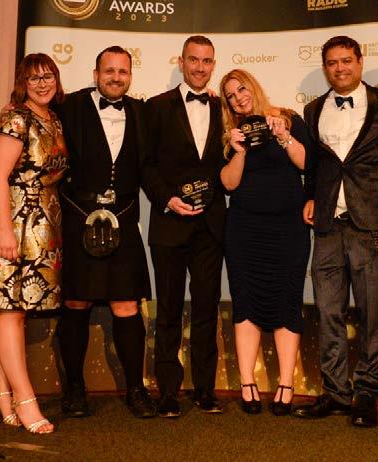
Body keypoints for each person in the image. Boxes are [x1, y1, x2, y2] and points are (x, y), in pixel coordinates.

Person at [292, 36, 378, 427]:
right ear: (325, 68)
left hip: (369, 224)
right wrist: (309, 196)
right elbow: (315, 165)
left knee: (371, 314)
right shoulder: (314, 108)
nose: (340, 68)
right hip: (327, 228)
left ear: (359, 61)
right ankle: (336, 392)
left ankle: (367, 394)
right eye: (333, 63)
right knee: (329, 312)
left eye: (347, 60)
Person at [0, 53, 68, 434]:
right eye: (34, 78)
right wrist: (6, 232)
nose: (42, 84)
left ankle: (1, 391)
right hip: (13, 222)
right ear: (22, 83)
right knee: (10, 311)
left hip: (43, 223)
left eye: (48, 76)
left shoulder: (53, 118)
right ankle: (26, 401)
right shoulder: (15, 118)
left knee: (11, 310)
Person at [55, 46, 155, 419]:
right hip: (78, 218)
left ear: (130, 75)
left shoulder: (142, 112)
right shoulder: (69, 107)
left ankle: (136, 390)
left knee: (127, 304)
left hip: (124, 219)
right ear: (96, 74)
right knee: (76, 303)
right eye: (108, 71)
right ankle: (74, 390)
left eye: (122, 71)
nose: (116, 77)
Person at [219, 69, 311, 416]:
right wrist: (239, 151)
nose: (239, 97)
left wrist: (284, 136)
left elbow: (307, 163)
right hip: (245, 230)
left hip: (288, 229)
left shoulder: (288, 118)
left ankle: (286, 384)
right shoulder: (229, 135)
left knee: (288, 298)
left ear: (254, 87)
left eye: (242, 89)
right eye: (231, 95)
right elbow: (228, 184)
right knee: (245, 301)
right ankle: (248, 383)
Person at [143, 36, 226, 417]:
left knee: (207, 308)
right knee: (169, 310)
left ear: (214, 65)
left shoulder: (224, 108)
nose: (199, 67)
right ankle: (167, 392)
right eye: (193, 59)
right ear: (181, 62)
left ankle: (205, 389)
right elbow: (146, 165)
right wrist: (167, 199)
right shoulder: (156, 107)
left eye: (206, 61)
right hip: (169, 223)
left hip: (211, 226)